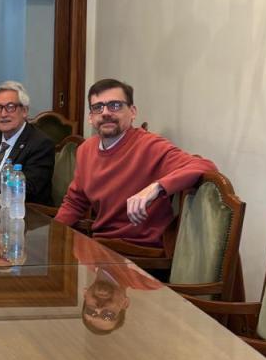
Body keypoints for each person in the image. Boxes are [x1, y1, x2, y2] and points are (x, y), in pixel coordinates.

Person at [55, 78, 217, 247]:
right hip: (100, 244)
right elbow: (75, 202)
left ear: (132, 112)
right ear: (90, 117)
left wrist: (156, 187)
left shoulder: (149, 145)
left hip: (139, 250)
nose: (105, 113)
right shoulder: (85, 149)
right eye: (98, 107)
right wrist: (53, 235)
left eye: (115, 105)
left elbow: (205, 166)